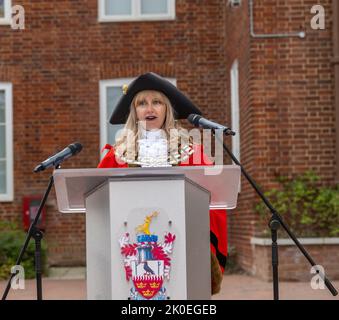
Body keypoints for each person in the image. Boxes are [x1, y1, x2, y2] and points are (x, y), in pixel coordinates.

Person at [98, 72, 226, 294]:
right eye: (142, 103)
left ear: (167, 109)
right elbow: (98, 202)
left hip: (182, 245)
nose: (149, 109)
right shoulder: (116, 156)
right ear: (134, 111)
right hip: (130, 248)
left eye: (156, 102)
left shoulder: (192, 154)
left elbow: (213, 201)